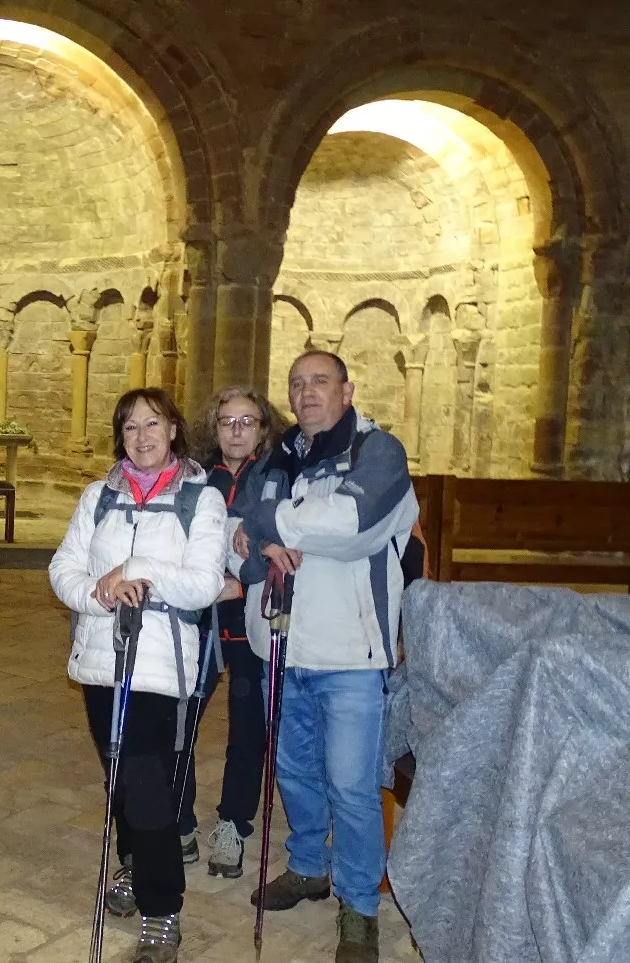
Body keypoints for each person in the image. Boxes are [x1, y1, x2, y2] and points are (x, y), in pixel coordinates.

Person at [244, 350, 418, 963]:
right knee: (294, 772)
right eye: (297, 384)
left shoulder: (379, 452)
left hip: (351, 652)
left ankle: (359, 905)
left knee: (351, 784)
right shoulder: (277, 460)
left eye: (320, 382)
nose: (307, 392)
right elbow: (237, 534)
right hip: (281, 648)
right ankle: (308, 866)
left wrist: (268, 523)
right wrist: (260, 535)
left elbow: (351, 523)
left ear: (347, 390)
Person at [49, 387, 230, 963]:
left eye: (152, 424)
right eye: (130, 427)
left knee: (149, 790)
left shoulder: (202, 501)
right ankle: (133, 864)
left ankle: (161, 907)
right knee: (122, 781)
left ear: (174, 430)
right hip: (104, 660)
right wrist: (100, 593)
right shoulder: (97, 496)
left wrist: (136, 569)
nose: (142, 436)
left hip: (163, 668)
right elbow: (63, 569)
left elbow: (203, 584)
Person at [175, 387, 287, 879]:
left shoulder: (280, 477)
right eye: (227, 421)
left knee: (247, 726)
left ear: (264, 429)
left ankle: (232, 825)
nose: (237, 430)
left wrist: (242, 576)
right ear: (213, 428)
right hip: (200, 619)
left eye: (247, 421)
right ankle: (178, 820)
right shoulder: (196, 479)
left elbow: (288, 539)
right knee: (181, 718)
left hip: (252, 623)